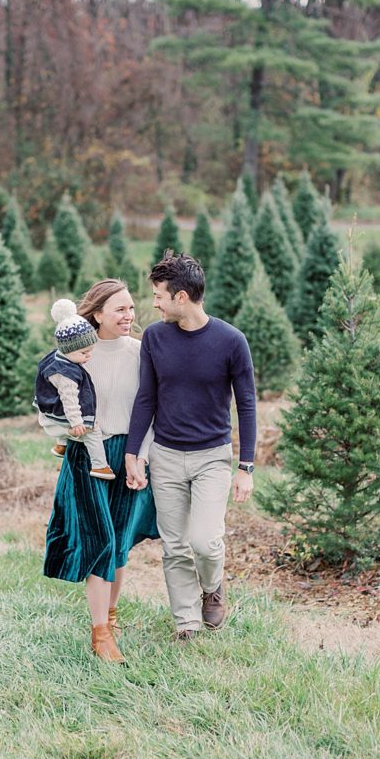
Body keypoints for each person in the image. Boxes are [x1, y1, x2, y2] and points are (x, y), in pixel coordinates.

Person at [125, 251, 256, 641]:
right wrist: (135, 453)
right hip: (165, 455)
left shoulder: (231, 341)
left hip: (212, 458)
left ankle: (213, 586)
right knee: (175, 546)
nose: (154, 303)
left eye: (159, 295)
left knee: (204, 540)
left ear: (181, 297)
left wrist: (246, 466)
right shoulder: (154, 337)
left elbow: (246, 403)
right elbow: (145, 398)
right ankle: (186, 622)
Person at [43, 279, 158, 664]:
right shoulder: (74, 355)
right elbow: (52, 399)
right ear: (96, 315)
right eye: (120, 310)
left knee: (121, 544)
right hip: (89, 457)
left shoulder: (143, 353)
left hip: (129, 453)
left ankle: (111, 617)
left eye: (131, 308)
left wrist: (139, 456)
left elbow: (150, 409)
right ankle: (100, 634)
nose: (129, 316)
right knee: (101, 541)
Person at [34, 298, 115, 480]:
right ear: (68, 348)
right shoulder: (66, 375)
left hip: (49, 406)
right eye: (84, 353)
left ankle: (61, 445)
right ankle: (100, 466)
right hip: (65, 412)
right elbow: (70, 400)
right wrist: (78, 423)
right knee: (92, 430)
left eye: (90, 351)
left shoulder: (57, 357)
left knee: (70, 426)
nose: (88, 356)